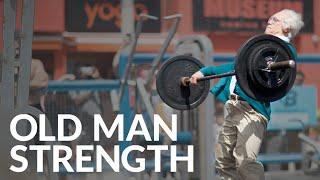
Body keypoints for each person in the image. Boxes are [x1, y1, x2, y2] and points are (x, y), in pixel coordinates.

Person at [190, 9, 304, 180]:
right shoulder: (259, 48)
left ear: (287, 28)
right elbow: (234, 67)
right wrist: (204, 72)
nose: (269, 21)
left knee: (245, 161)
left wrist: (270, 68)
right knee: (223, 160)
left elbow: (283, 69)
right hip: (234, 107)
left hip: (253, 112)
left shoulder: (285, 50)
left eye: (275, 19)